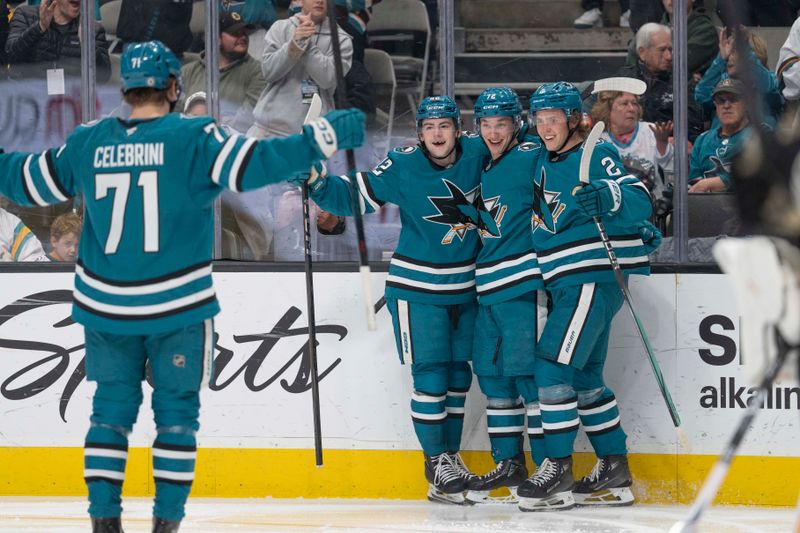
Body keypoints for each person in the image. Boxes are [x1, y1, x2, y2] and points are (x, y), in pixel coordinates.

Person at [0, 40, 364, 533]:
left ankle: (104, 522)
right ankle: (165, 524)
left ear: (126, 87)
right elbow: (256, 163)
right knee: (176, 418)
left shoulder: (89, 140)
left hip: (106, 306)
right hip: (177, 307)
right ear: (174, 86)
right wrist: (318, 137)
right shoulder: (196, 137)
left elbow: (28, 181)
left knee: (109, 414)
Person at [300, 96, 487, 505]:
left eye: (444, 126)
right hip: (418, 288)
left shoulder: (479, 151)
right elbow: (349, 197)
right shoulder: (403, 165)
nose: (437, 134)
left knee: (459, 380)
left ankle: (449, 464)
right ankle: (435, 461)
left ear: (459, 128)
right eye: (428, 127)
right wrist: (315, 178)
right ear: (419, 133)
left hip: (467, 288)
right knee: (433, 377)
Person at [518, 82, 654, 512]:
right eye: (539, 121)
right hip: (567, 282)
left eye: (553, 119)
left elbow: (639, 196)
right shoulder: (541, 155)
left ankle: (557, 468)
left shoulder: (596, 154)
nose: (545, 128)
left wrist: (610, 199)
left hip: (590, 278)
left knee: (552, 366)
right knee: (584, 380)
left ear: (575, 119)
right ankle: (613, 469)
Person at [463, 88, 546, 504]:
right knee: (494, 380)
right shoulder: (480, 164)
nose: (494, 132)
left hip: (524, 284)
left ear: (518, 124)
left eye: (502, 124)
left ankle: (550, 469)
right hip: (486, 288)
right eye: (487, 124)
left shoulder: (532, 155)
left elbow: (574, 170)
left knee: (531, 380)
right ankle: (510, 464)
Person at [249, 0, 353, 138]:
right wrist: (294, 45)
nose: (320, 1)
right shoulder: (280, 28)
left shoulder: (341, 40)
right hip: (269, 128)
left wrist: (306, 44)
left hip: (314, 132)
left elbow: (328, 79)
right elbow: (269, 72)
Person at [615, 23, 705, 139]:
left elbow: (694, 125)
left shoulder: (681, 80)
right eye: (662, 50)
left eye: (670, 49)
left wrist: (679, 141)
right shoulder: (623, 79)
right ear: (642, 52)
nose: (669, 56)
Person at [179, 11, 266, 133]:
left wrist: (203, 125)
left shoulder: (257, 71)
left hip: (232, 145)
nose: (243, 37)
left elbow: (247, 119)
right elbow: (174, 114)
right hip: (189, 141)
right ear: (216, 38)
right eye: (235, 33)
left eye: (244, 33)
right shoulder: (188, 71)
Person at [590, 77, 674, 197]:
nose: (631, 109)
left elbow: (672, 177)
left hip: (653, 205)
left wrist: (662, 145)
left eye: (634, 104)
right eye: (624, 104)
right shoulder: (597, 139)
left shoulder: (651, 131)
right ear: (607, 109)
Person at [695, 27, 783, 128]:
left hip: (756, 142)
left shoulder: (770, 81)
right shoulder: (722, 82)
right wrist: (720, 60)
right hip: (722, 142)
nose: (729, 57)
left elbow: (768, 88)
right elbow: (701, 96)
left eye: (734, 51)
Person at [5, 0, 110, 80]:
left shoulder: (91, 28)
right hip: (30, 98)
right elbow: (10, 56)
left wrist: (88, 45)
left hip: (69, 101)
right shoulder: (26, 15)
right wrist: (39, 27)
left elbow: (104, 76)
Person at [689, 78, 755, 193]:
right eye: (721, 100)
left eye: (733, 99)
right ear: (715, 105)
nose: (727, 105)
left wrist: (722, 182)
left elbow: (761, 175)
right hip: (706, 208)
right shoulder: (702, 141)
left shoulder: (760, 136)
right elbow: (694, 183)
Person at [624, 0, 718, 77]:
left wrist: (649, 67)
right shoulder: (656, 27)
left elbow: (681, 64)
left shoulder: (705, 30)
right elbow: (632, 59)